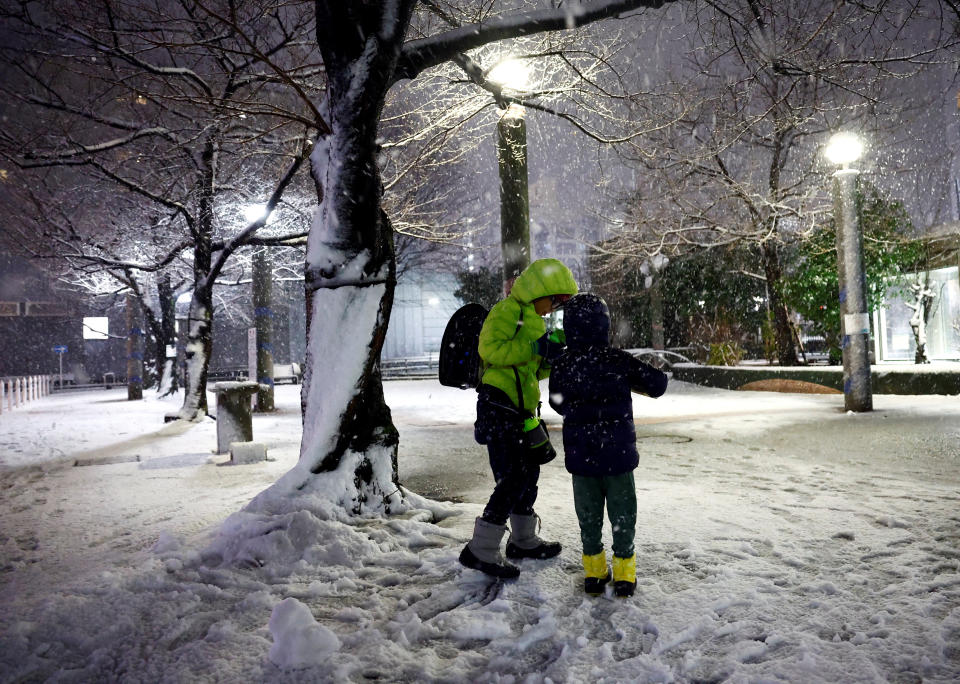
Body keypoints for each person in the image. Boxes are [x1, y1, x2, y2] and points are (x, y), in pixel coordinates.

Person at [459, 258, 578, 579]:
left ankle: (523, 541)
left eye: (559, 304)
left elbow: (529, 368)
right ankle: (480, 549)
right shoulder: (506, 311)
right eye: (552, 300)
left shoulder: (535, 321)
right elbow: (492, 351)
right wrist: (534, 346)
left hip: (523, 411)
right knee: (511, 477)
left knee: (528, 474)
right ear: (539, 290)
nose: (553, 307)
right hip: (498, 406)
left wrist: (551, 357)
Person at [548, 293, 668, 597]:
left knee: (588, 517)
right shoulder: (617, 360)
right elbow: (658, 385)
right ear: (604, 325)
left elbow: (557, 403)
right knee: (623, 515)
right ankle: (625, 573)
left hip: (582, 458)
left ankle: (594, 571)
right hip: (618, 456)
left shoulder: (563, 364)